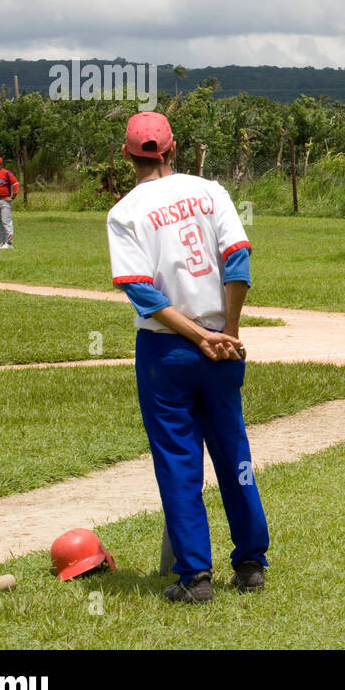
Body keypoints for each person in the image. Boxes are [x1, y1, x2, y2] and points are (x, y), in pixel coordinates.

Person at [106, 111, 269, 603]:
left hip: (166, 349)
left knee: (179, 460)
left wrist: (195, 337)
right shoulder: (211, 190)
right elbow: (237, 259)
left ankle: (195, 576)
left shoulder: (124, 212)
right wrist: (227, 332)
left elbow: (143, 293)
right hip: (224, 340)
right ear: (174, 149)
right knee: (232, 451)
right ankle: (250, 563)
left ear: (126, 155)